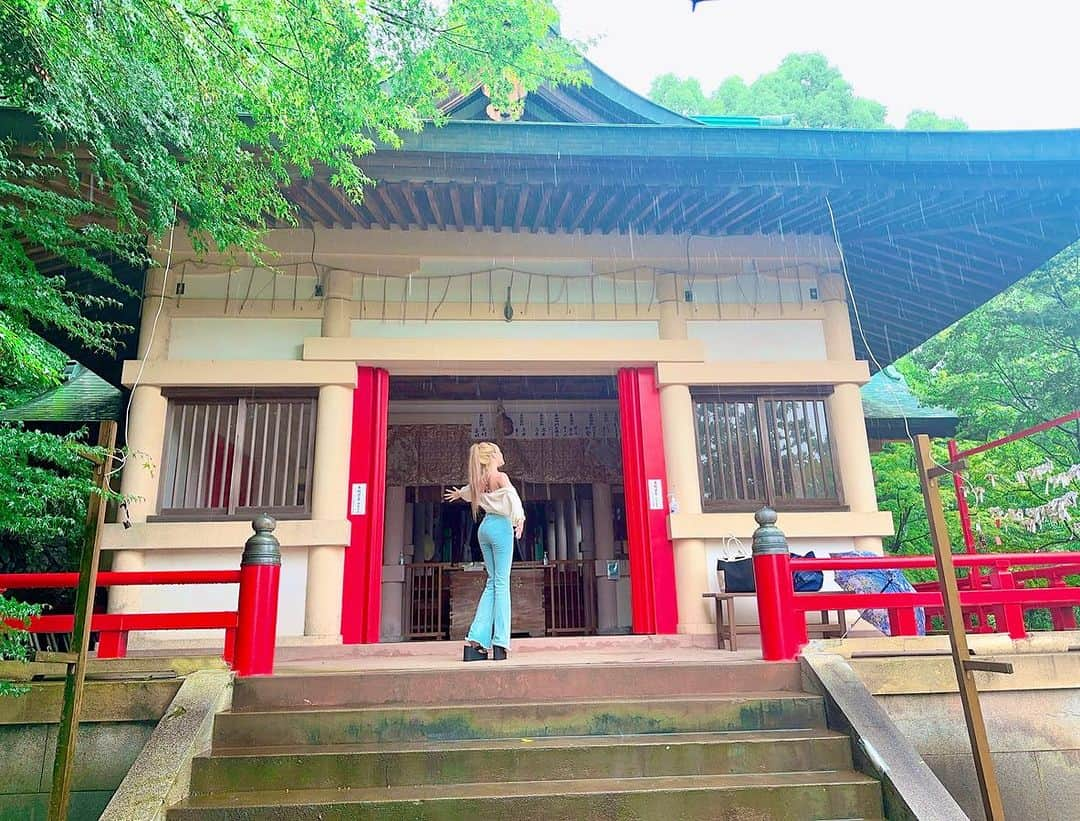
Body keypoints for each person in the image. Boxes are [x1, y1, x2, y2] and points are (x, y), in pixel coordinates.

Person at [443, 442, 525, 661]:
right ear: (492, 458)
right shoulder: (501, 477)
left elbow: (468, 493)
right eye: (499, 452)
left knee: (492, 582)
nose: (502, 455)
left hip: (485, 528)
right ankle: (500, 642)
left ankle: (476, 640)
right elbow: (513, 500)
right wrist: (520, 520)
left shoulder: (479, 481)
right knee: (501, 583)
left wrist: (459, 493)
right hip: (500, 527)